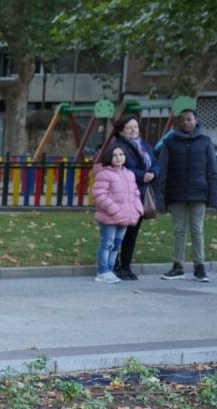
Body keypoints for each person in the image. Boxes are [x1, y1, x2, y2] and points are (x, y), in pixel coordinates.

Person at [156, 108, 216, 282]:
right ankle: (178, 266)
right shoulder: (170, 142)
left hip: (199, 193)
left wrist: (213, 195)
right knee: (179, 230)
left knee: (197, 230)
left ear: (196, 120)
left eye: (189, 119)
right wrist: (161, 195)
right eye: (182, 120)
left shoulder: (206, 142)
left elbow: (212, 171)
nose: (185, 123)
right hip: (176, 192)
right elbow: (163, 169)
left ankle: (199, 268)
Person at [110, 116, 159, 281]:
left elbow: (156, 164)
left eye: (136, 127)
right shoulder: (118, 147)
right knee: (119, 234)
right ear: (121, 130)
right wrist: (141, 175)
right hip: (124, 195)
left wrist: (153, 173)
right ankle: (113, 265)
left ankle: (126, 267)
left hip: (141, 195)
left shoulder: (145, 146)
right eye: (129, 127)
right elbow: (119, 168)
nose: (133, 130)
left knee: (132, 234)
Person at [92, 142, 142, 285]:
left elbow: (135, 194)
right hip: (110, 216)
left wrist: (138, 209)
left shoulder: (129, 174)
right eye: (115, 155)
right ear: (109, 157)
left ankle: (110, 269)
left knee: (116, 245)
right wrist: (114, 210)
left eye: (121, 154)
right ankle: (103, 271)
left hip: (126, 217)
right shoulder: (104, 173)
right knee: (107, 243)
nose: (118, 157)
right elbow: (99, 194)